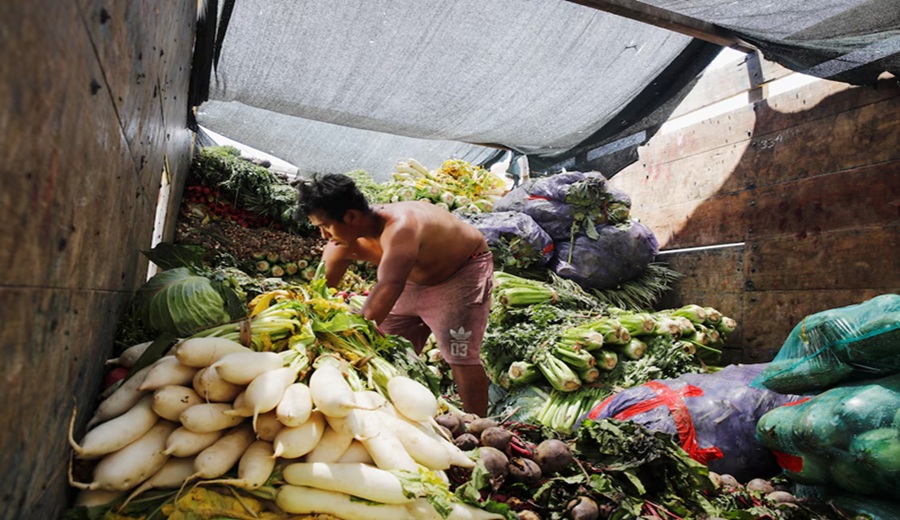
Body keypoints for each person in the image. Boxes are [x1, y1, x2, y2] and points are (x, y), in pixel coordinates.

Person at [296, 173, 493, 417]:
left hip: (460, 275)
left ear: (350, 217)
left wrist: (355, 334)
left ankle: (481, 426)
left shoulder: (401, 226)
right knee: (384, 349)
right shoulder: (341, 243)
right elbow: (319, 293)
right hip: (409, 280)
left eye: (325, 226)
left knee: (459, 354)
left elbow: (390, 284)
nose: (323, 235)